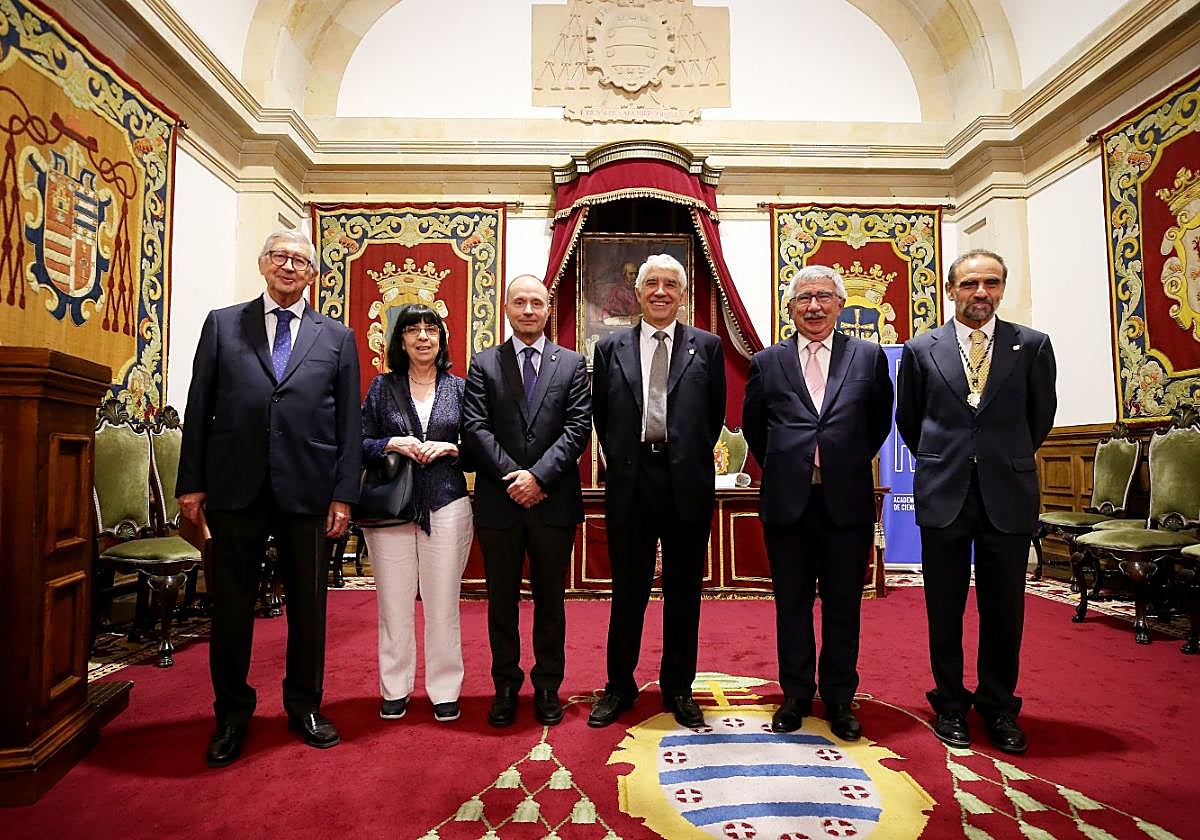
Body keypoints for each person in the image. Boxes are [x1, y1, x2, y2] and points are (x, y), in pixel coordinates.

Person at [177, 228, 361, 768]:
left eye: (301, 261)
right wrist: (191, 483)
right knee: (232, 608)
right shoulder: (222, 324)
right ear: (263, 264)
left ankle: (303, 705)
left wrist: (343, 495)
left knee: (309, 606)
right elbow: (198, 406)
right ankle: (231, 714)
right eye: (281, 257)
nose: (289, 266)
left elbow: (348, 424)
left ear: (313, 275)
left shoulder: (337, 337)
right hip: (236, 486)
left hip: (308, 488)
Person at [896, 248, 1057, 755]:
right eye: (969, 284)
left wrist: (998, 457)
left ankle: (998, 705)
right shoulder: (922, 349)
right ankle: (949, 703)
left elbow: (1040, 418)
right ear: (951, 289)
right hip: (944, 492)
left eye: (991, 283)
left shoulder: (1030, 345)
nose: (980, 293)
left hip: (1007, 494)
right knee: (943, 606)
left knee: (1005, 609)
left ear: (1002, 288)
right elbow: (910, 418)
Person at [742, 265, 893, 741]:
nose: (814, 306)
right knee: (792, 603)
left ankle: (841, 698)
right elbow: (754, 428)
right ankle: (796, 695)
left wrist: (842, 460)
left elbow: (877, 423)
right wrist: (793, 463)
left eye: (824, 297)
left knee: (844, 604)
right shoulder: (768, 362)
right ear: (789, 308)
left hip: (846, 500)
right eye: (804, 298)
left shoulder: (868, 358)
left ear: (840, 304)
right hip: (788, 501)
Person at [588, 253, 726, 730]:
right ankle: (619, 687)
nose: (661, 291)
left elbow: (713, 417)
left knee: (684, 592)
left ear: (683, 294)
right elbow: (602, 418)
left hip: (686, 483)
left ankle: (679, 688)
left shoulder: (706, 347)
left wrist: (682, 456)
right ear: (639, 292)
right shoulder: (610, 349)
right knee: (628, 591)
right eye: (652, 284)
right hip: (631, 482)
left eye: (671, 284)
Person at [462, 274, 591, 728]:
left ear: (548, 308)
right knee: (500, 602)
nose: (529, 310)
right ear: (507, 309)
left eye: (537, 302)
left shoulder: (573, 364)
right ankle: (505, 686)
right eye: (520, 302)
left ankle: (549, 686)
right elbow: (475, 426)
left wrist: (537, 477)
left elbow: (578, 429)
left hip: (553, 501)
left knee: (551, 600)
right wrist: (512, 476)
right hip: (500, 502)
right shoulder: (484, 364)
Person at [359, 304, 473, 724]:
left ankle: (444, 690)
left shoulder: (460, 388)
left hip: (447, 503)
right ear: (400, 340)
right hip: (392, 508)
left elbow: (478, 445)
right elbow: (359, 442)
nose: (423, 337)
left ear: (441, 339)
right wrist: (392, 443)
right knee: (394, 603)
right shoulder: (381, 387)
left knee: (444, 604)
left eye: (431, 329)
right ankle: (394, 688)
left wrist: (452, 448)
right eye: (413, 330)